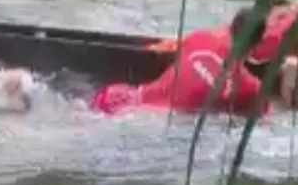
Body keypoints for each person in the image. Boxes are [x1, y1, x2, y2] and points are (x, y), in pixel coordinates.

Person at [90, 8, 272, 117]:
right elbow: (264, 117)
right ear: (257, 43)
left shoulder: (200, 38)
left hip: (116, 98)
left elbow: (159, 50)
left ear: (231, 26)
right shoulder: (250, 88)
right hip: (147, 122)